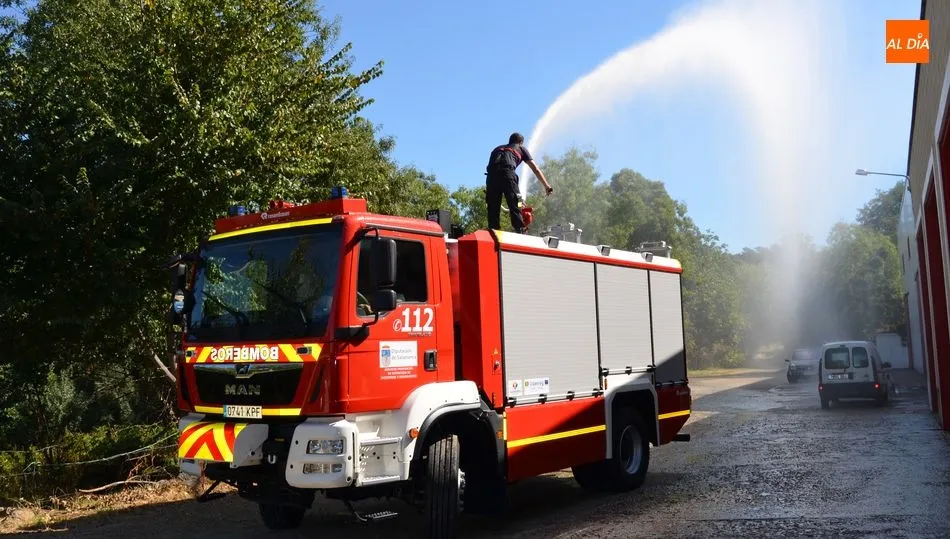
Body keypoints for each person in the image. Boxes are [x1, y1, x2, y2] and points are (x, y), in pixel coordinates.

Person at [485, 132, 553, 233]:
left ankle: (493, 232)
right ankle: (519, 230)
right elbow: (535, 169)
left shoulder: (497, 149)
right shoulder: (521, 148)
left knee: (493, 207)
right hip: (508, 174)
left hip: (491, 178)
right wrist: (547, 186)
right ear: (520, 142)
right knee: (517, 204)